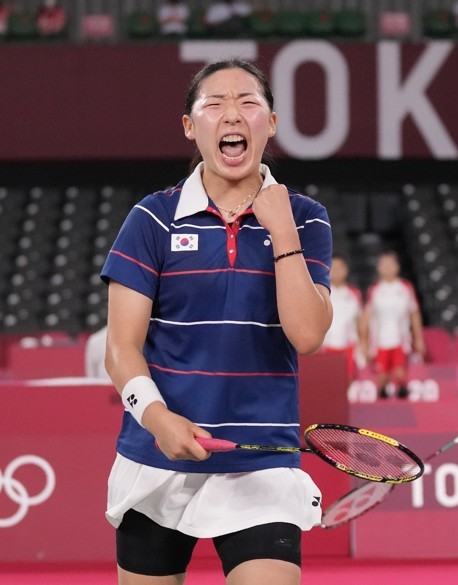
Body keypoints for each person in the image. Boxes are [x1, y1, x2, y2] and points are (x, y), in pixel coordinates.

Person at [102, 59, 333, 584]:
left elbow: (308, 334)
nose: (232, 115)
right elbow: (121, 348)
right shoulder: (152, 218)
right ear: (190, 126)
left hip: (262, 461)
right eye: (214, 104)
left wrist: (282, 232)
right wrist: (159, 421)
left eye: (248, 102)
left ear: (270, 123)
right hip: (158, 458)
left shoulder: (307, 216)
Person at [358, 251, 425, 400]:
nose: (387, 268)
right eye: (384, 264)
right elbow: (365, 319)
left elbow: (414, 314)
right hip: (380, 342)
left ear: (397, 267)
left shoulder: (406, 288)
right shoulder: (375, 290)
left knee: (400, 375)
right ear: (379, 268)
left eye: (391, 264)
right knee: (382, 378)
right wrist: (363, 342)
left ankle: (404, 404)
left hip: (400, 341)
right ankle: (383, 409)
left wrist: (418, 338)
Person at [321, 255, 363, 381]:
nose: (337, 271)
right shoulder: (321, 292)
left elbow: (360, 321)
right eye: (334, 267)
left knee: (348, 379)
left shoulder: (354, 294)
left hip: (348, 346)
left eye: (340, 268)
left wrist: (363, 343)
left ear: (346, 270)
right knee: (328, 381)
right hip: (327, 346)